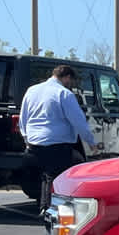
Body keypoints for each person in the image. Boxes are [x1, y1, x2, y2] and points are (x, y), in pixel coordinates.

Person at [18, 64, 97, 214]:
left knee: (45, 176)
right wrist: (90, 141)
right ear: (66, 77)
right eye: (70, 80)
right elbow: (78, 120)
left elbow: (23, 118)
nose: (71, 84)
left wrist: (26, 139)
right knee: (57, 177)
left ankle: (44, 207)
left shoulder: (32, 90)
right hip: (56, 142)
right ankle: (50, 209)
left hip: (34, 143)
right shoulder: (64, 94)